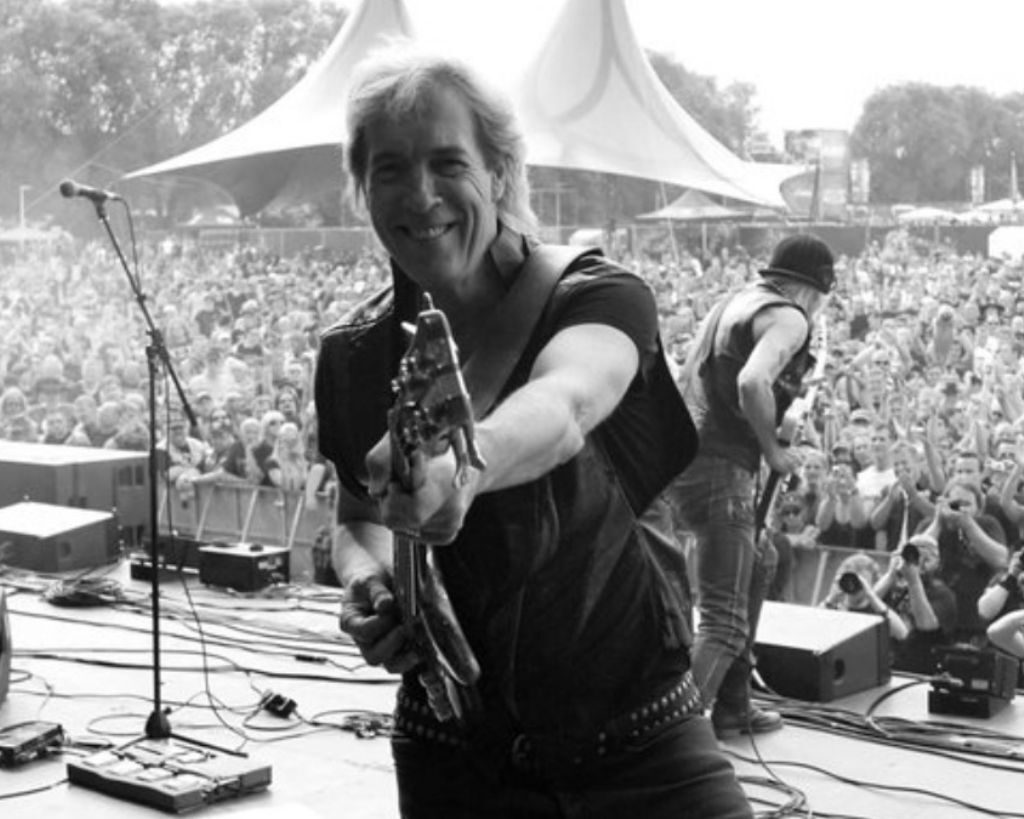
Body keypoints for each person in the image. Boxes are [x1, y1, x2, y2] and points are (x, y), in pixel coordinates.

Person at [314, 46, 751, 819]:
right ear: (363, 189)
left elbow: (567, 402)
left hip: (642, 740)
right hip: (455, 753)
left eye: (448, 162)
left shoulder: (599, 297)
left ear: (499, 172)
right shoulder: (351, 356)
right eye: (390, 169)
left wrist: (468, 466)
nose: (421, 194)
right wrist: (369, 581)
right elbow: (355, 518)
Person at [668, 233, 837, 739]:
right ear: (815, 289)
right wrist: (772, 448)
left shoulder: (733, 303)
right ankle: (671, 738)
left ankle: (734, 707)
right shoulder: (790, 317)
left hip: (689, 461)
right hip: (722, 469)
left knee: (760, 560)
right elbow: (751, 382)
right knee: (724, 621)